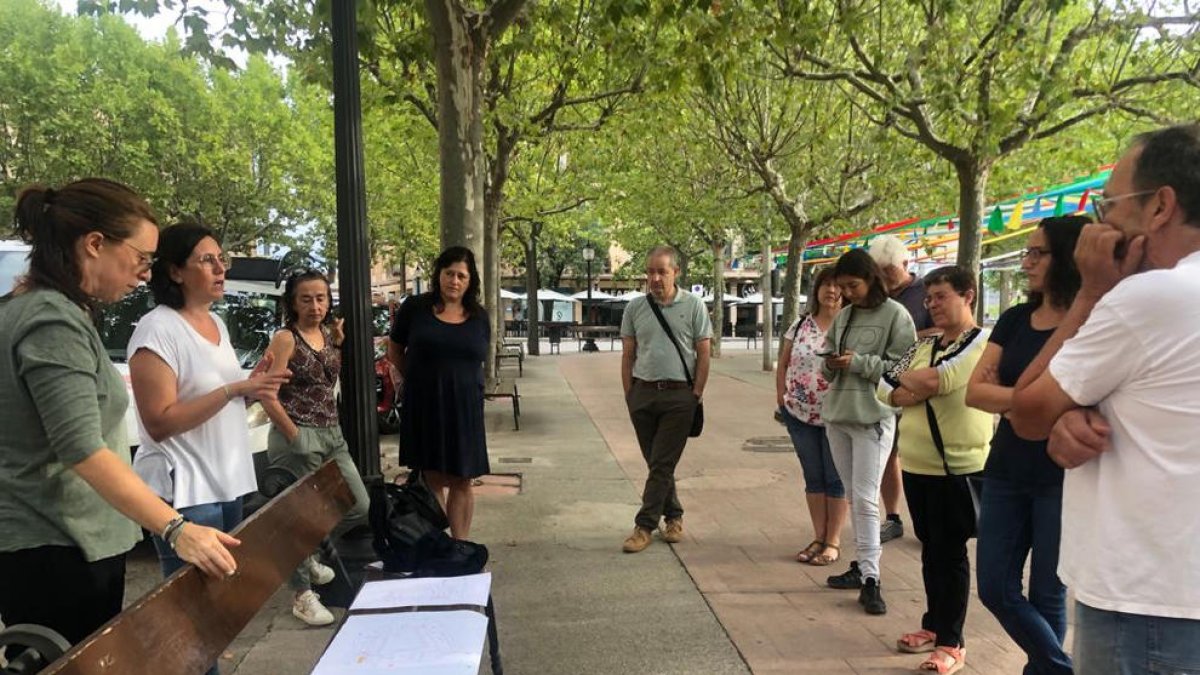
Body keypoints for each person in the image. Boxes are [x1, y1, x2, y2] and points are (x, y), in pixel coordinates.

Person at [0, 180, 239, 657]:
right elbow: (82, 450)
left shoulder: (36, 309)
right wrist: (177, 528)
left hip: (60, 542)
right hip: (61, 545)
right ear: (94, 245)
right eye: (142, 258)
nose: (145, 275)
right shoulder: (53, 321)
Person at [1011, 124, 1200, 673]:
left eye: (1108, 203)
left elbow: (1025, 411)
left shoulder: (1148, 297)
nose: (1100, 223)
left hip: (1144, 600)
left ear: (1160, 206)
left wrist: (1093, 291)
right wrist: (1077, 410)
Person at [127, 222, 288, 673]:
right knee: (193, 621)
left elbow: (220, 396)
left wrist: (251, 385)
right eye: (207, 260)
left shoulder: (216, 322)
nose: (221, 268)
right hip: (186, 494)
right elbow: (159, 422)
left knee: (215, 614)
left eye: (223, 259)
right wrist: (234, 389)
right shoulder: (156, 329)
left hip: (227, 483)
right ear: (175, 271)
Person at [965, 216, 1086, 675]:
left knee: (1048, 592)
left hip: (1064, 474)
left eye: (1038, 253)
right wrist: (1034, 402)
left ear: (1069, 259)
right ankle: (1062, 667)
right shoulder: (1015, 319)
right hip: (1007, 469)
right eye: (1027, 252)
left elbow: (1084, 396)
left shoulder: (1089, 323)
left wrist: (1013, 399)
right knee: (994, 586)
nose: (1027, 262)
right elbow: (974, 392)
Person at [877, 266, 991, 673]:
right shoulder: (923, 344)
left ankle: (952, 641)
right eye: (928, 298)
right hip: (918, 465)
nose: (932, 306)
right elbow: (884, 385)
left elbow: (942, 379)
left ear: (968, 296)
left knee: (951, 552)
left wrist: (909, 385)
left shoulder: (979, 342)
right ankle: (933, 624)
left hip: (957, 467)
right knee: (931, 548)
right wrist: (911, 385)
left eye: (941, 296)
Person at [259, 269, 371, 627]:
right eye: (306, 298)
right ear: (292, 302)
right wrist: (294, 435)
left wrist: (338, 342)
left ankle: (304, 557)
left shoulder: (326, 334)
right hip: (298, 437)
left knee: (358, 505)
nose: (315, 305)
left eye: (321, 297)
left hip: (331, 433)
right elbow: (265, 392)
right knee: (300, 516)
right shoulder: (285, 339)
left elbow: (325, 378)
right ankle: (302, 597)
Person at [820, 248, 916, 615]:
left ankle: (872, 577)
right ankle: (863, 566)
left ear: (871, 279)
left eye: (852, 285)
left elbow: (902, 367)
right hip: (838, 415)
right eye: (842, 287)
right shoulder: (843, 316)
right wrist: (830, 363)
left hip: (873, 417)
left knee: (863, 497)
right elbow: (828, 364)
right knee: (853, 495)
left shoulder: (896, 315)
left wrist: (858, 363)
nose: (847, 293)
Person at [388, 246, 490, 540]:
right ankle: (437, 545)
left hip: (465, 407)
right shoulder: (415, 308)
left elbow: (479, 359)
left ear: (470, 281)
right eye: (449, 274)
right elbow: (395, 348)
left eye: (461, 275)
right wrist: (414, 380)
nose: (454, 281)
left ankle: (460, 545)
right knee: (431, 477)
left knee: (462, 478)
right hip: (425, 404)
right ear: (438, 275)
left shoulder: (479, 316)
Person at [619, 245, 712, 553]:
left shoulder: (695, 305)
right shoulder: (635, 308)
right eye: (650, 272)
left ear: (676, 272)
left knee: (660, 463)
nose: (655, 278)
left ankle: (644, 526)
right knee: (658, 463)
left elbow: (704, 352)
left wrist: (695, 393)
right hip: (643, 395)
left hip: (679, 397)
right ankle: (673, 516)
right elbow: (628, 354)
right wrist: (630, 395)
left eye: (661, 271)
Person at [776, 266, 847, 567]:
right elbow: (783, 364)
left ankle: (833, 541)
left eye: (838, 286)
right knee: (813, 477)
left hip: (839, 415)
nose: (831, 291)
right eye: (826, 285)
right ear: (816, 290)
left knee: (835, 478)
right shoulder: (800, 324)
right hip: (799, 413)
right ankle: (818, 536)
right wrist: (781, 398)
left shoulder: (851, 325)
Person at [869, 234, 937, 545]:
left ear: (906, 265)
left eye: (889, 271)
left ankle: (932, 519)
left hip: (926, 382)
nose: (884, 279)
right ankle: (893, 516)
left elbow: (946, 329)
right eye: (879, 272)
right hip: (888, 384)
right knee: (889, 452)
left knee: (925, 452)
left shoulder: (927, 292)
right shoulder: (875, 294)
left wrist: (908, 338)